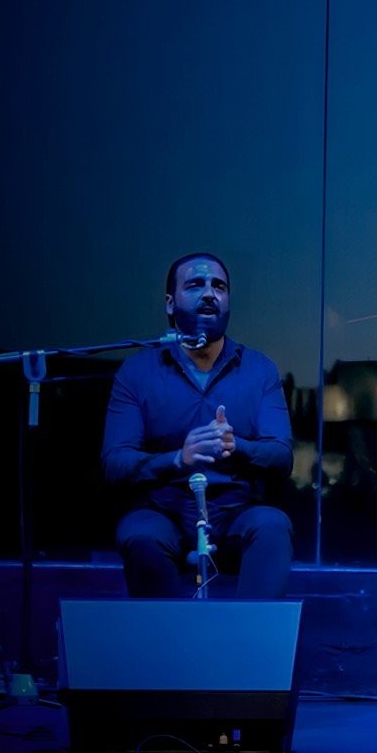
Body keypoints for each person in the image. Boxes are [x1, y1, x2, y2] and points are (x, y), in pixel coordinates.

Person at [101, 252, 296, 599]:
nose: (210, 293)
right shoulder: (137, 373)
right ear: (170, 303)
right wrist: (178, 459)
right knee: (139, 532)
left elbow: (281, 456)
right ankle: (165, 647)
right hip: (165, 515)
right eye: (196, 284)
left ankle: (249, 647)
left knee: (272, 525)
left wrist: (236, 447)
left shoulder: (259, 369)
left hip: (235, 513)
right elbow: (115, 463)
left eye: (218, 286)